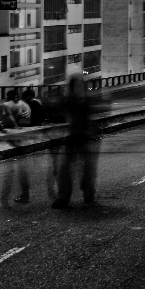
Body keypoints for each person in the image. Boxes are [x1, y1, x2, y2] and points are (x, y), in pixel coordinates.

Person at [52, 71, 100, 209]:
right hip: (75, 137)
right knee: (66, 168)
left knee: (85, 169)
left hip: (83, 137)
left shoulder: (81, 102)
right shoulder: (73, 101)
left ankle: (86, 193)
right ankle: (66, 196)